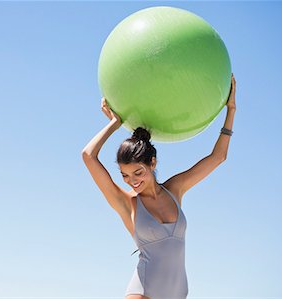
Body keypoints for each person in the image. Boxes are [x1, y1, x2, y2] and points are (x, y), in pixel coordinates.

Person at [81, 73, 236, 299]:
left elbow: (218, 157)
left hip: (178, 293)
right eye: (124, 175)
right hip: (142, 293)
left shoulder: (175, 189)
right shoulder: (127, 204)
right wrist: (115, 124)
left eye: (138, 172)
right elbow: (88, 156)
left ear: (152, 163)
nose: (132, 180)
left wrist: (231, 110)